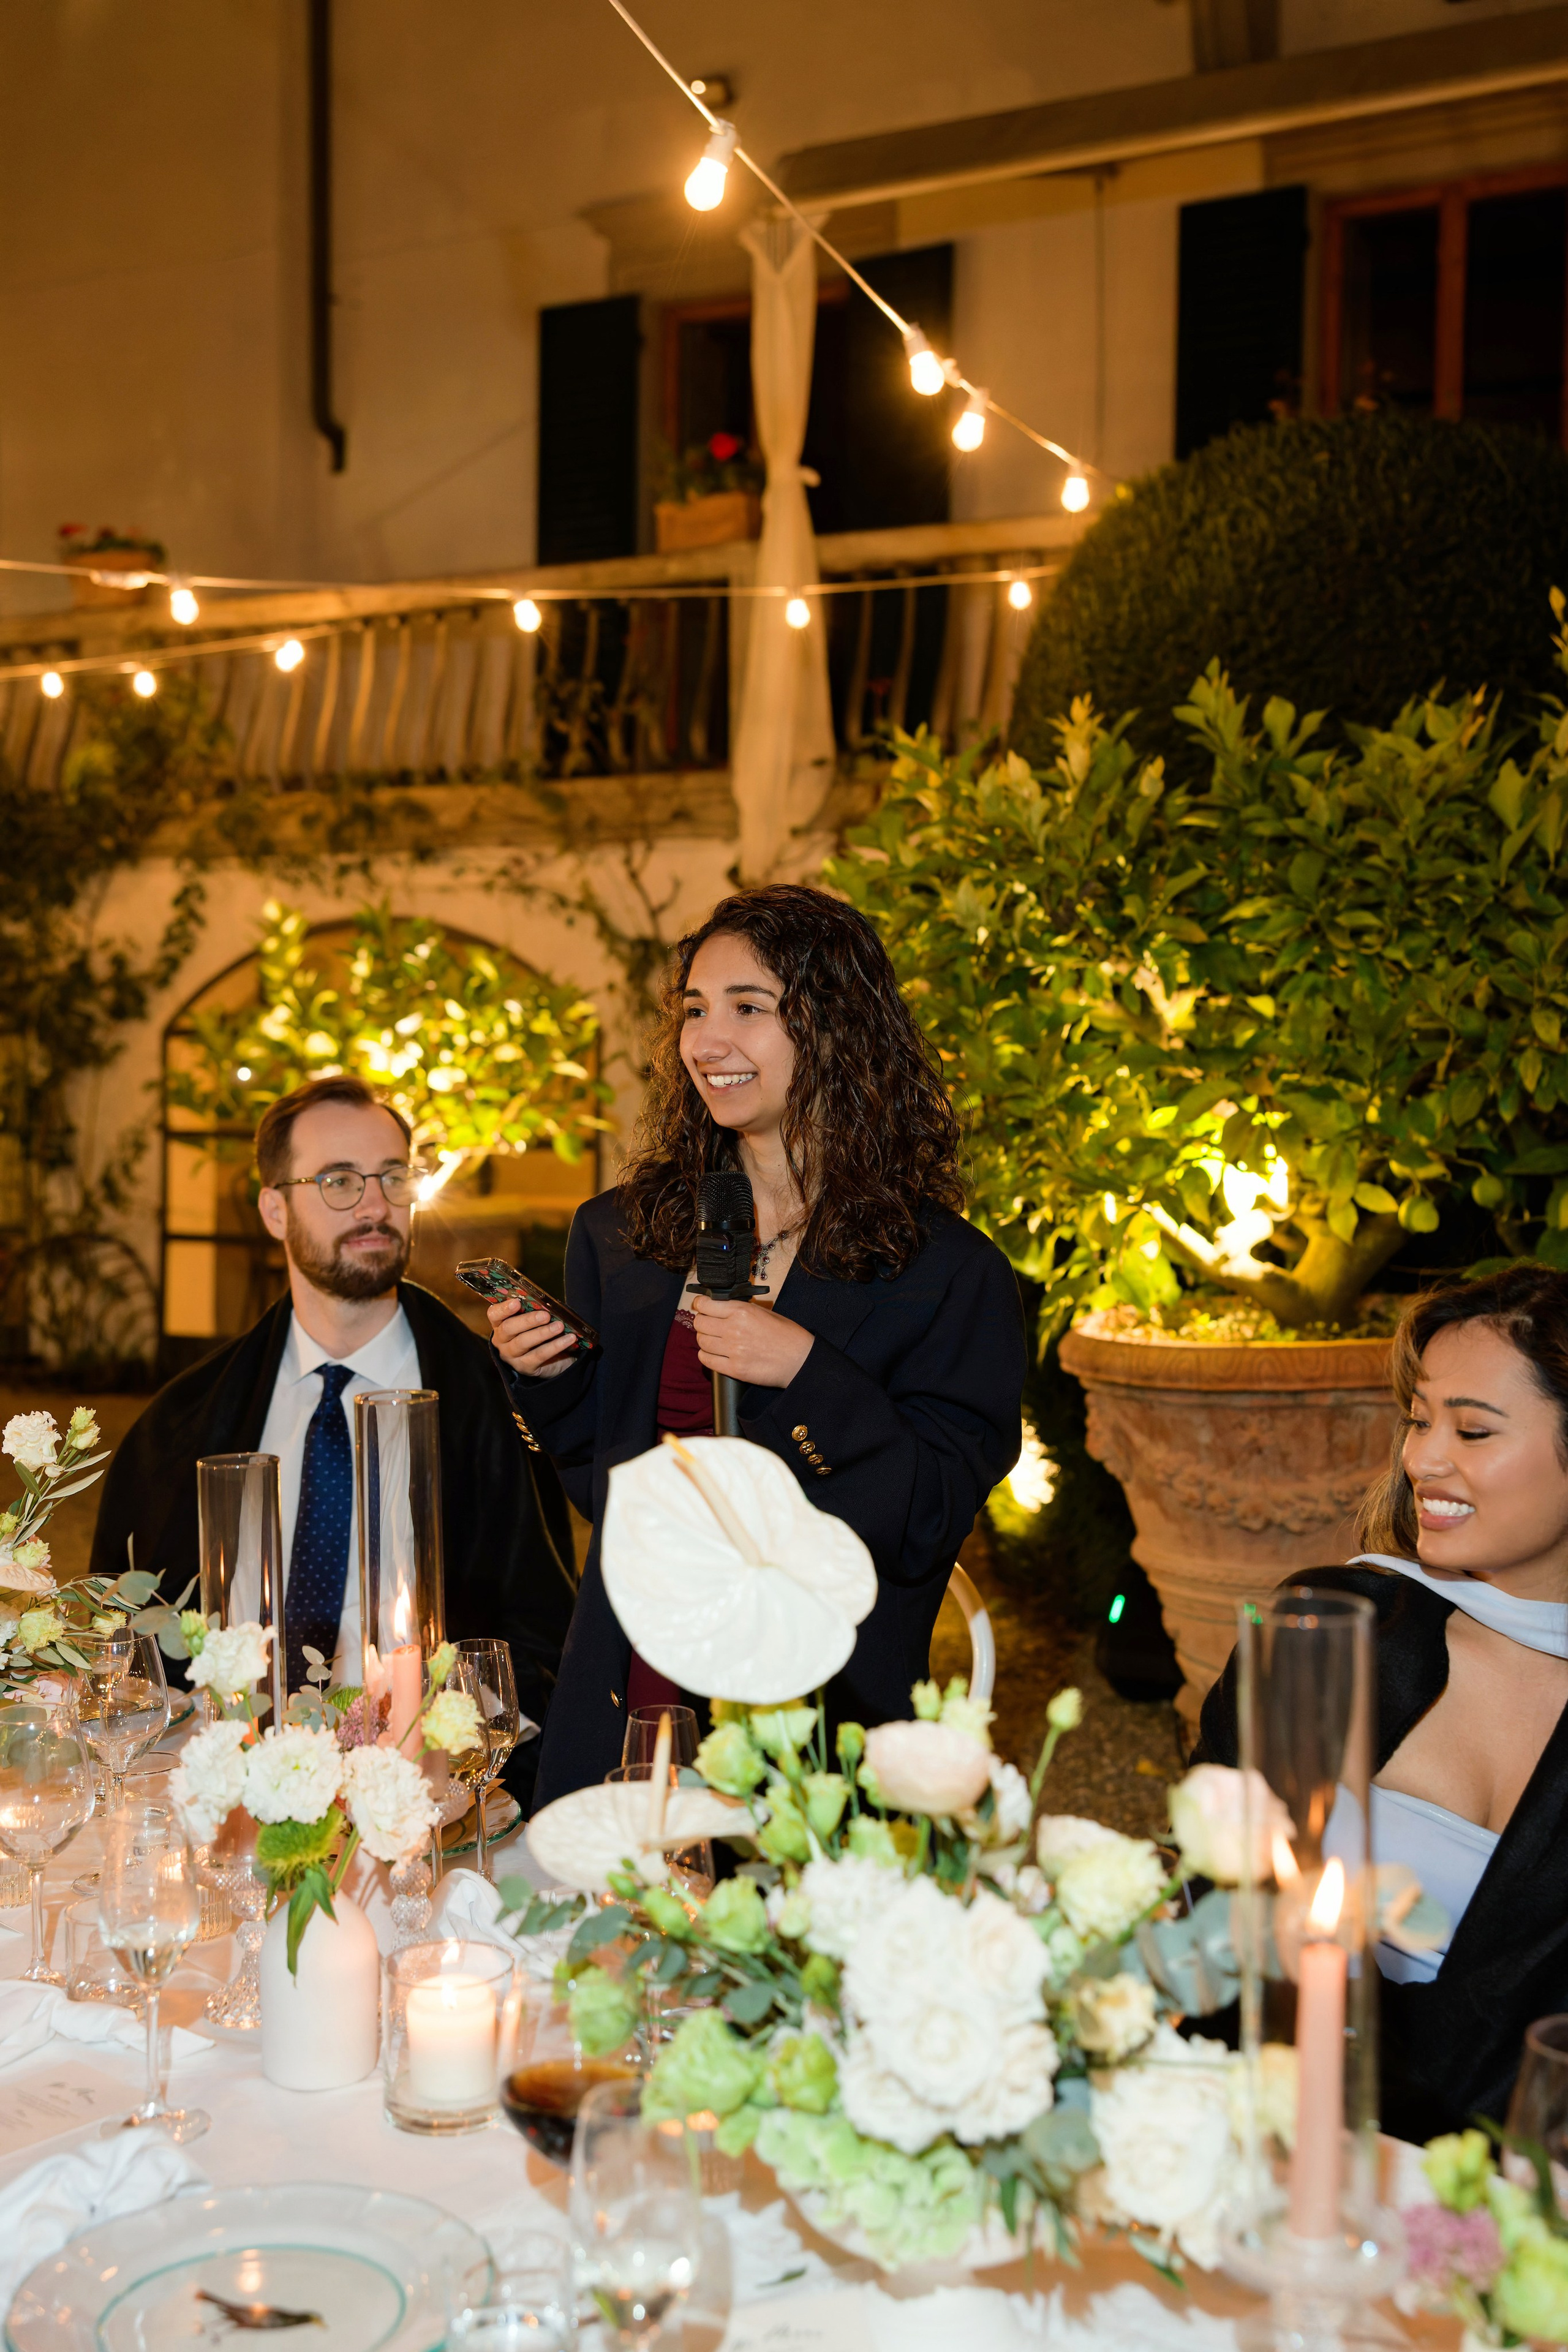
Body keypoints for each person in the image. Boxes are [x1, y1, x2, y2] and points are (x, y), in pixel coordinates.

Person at [490, 883, 1026, 1807]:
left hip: (818, 1724)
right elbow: (597, 1477)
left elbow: (931, 1514)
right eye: (695, 1010)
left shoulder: (948, 1272)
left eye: (750, 1008)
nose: (706, 1040)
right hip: (628, 1688)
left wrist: (809, 1375)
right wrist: (547, 1380)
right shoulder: (622, 1236)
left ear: (837, 1031)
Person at [92, 1074, 577, 1804]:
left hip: (425, 1803)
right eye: (340, 1181)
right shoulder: (182, 1424)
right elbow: (123, 1651)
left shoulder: (492, 1407)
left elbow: (539, 1645)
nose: (376, 1205)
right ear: (274, 1209)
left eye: (391, 1176)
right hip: (231, 1803)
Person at [1198, 1261, 1568, 2144]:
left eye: (1473, 1431)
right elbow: (1218, 1923)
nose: (1422, 1458)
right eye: (1419, 1419)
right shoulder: (1339, 1629)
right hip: (1281, 2128)